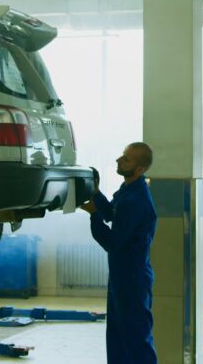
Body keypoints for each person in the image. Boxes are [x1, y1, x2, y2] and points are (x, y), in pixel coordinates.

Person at [82, 142, 158, 364]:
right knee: (117, 337)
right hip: (122, 276)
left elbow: (112, 242)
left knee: (136, 340)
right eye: (122, 156)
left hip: (132, 280)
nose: (119, 160)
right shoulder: (129, 191)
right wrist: (95, 193)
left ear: (140, 168)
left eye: (126, 159)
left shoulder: (136, 200)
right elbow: (112, 213)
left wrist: (94, 215)